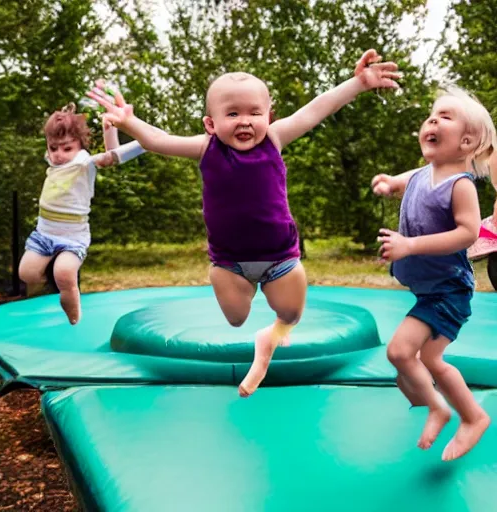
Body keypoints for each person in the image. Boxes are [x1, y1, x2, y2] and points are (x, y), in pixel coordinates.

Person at [88, 49, 401, 397]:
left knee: (291, 315)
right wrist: (129, 122)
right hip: (229, 263)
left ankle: (267, 341)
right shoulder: (206, 149)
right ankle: (253, 311)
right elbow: (158, 141)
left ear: (268, 115)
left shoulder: (274, 138)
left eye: (255, 112)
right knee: (236, 317)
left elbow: (316, 109)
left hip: (280, 257)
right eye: (232, 113)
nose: (245, 121)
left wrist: (357, 84)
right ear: (211, 124)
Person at [372, 85, 496, 461]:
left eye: (445, 117)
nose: (431, 120)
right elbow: (405, 182)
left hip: (449, 292)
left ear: (466, 142)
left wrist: (409, 246)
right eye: (431, 114)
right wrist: (389, 183)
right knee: (413, 362)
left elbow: (468, 233)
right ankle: (426, 396)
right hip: (429, 289)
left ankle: (464, 415)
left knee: (408, 354)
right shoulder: (425, 173)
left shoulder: (460, 187)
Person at [19, 101, 145, 325]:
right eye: (53, 148)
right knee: (26, 274)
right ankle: (50, 268)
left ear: (80, 145)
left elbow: (113, 155)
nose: (59, 154)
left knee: (64, 274)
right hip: (44, 234)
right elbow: (55, 141)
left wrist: (136, 139)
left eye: (67, 148)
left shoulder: (85, 163)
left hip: (72, 238)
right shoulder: (54, 162)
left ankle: (72, 310)